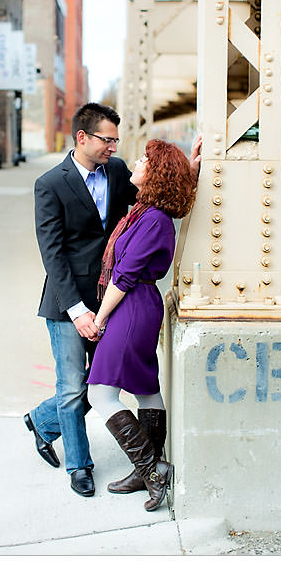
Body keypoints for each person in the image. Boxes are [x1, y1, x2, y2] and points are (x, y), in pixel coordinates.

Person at [25, 103, 138, 497]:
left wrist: (188, 170)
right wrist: (77, 312)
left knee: (102, 382)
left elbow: (147, 203)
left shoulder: (119, 171)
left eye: (115, 140)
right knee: (73, 386)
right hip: (66, 301)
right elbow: (52, 254)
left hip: (110, 295)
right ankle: (79, 466)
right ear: (82, 137)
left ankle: (41, 421)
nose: (113, 146)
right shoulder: (50, 184)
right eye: (107, 139)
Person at [85, 139, 197, 512]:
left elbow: (124, 277)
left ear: (156, 173)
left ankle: (151, 468)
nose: (136, 160)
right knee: (146, 389)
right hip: (139, 306)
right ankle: (145, 469)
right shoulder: (148, 212)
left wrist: (100, 319)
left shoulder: (153, 219)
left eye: (144, 159)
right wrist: (192, 168)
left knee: (100, 394)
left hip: (131, 307)